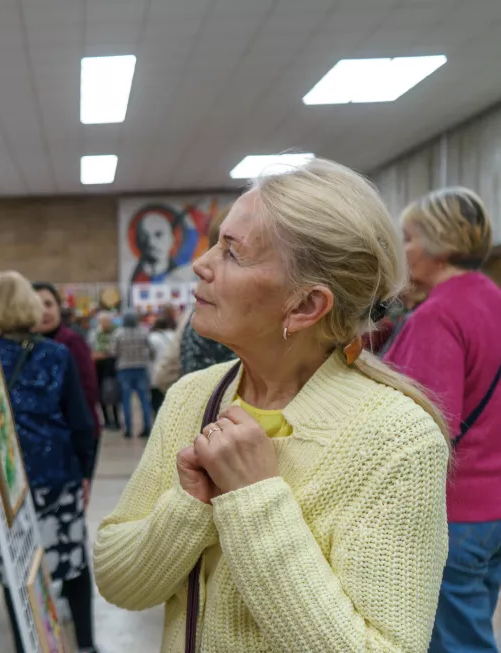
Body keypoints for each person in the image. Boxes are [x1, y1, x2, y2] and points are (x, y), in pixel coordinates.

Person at [94, 159, 449, 653]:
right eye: (218, 240)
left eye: (232, 254)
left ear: (305, 306)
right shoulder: (192, 397)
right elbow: (116, 579)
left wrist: (253, 499)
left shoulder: (395, 441)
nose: (201, 262)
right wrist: (189, 506)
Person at [0, 271, 98, 653]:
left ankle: (26, 644)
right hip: (57, 475)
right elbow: (81, 423)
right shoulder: (57, 355)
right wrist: (85, 473)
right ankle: (85, 645)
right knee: (71, 565)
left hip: (5, 484)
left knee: (16, 571)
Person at [382, 187, 501, 653]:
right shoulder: (492, 299)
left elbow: (425, 430)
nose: (403, 251)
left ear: (440, 244)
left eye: (408, 239)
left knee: (456, 644)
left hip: (455, 512)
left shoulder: (438, 316)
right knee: (472, 627)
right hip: (493, 507)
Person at [34, 281, 102, 472]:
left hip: (74, 436)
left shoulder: (71, 343)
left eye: (48, 304)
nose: (45, 312)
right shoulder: (25, 346)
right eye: (37, 306)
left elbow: (88, 392)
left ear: (58, 307)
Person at [110, 312, 153, 439]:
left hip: (124, 369)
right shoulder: (143, 332)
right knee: (144, 399)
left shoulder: (118, 333)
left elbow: (113, 351)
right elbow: (150, 349)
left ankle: (128, 429)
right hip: (141, 368)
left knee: (126, 400)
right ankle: (147, 427)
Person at [89, 311, 121, 429]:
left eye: (106, 321)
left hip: (112, 367)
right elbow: (92, 351)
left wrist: (104, 354)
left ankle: (117, 420)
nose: (104, 324)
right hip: (98, 368)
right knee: (101, 395)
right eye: (101, 322)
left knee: (114, 394)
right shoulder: (95, 334)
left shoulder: (116, 333)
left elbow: (114, 351)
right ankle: (107, 420)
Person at [148, 309, 178, 415]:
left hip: (156, 373)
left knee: (156, 400)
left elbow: (149, 356)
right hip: (173, 372)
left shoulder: (152, 337)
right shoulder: (174, 334)